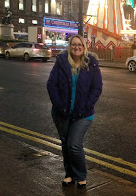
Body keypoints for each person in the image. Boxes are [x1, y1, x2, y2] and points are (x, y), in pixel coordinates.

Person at [47, 34, 103, 189]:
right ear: (69, 46)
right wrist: (59, 106)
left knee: (74, 144)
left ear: (84, 47)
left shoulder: (91, 63)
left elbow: (97, 88)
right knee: (65, 144)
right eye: (74, 44)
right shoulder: (62, 62)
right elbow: (51, 85)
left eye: (80, 45)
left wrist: (86, 106)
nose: (77, 47)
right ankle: (70, 175)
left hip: (83, 114)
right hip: (62, 112)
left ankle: (81, 176)